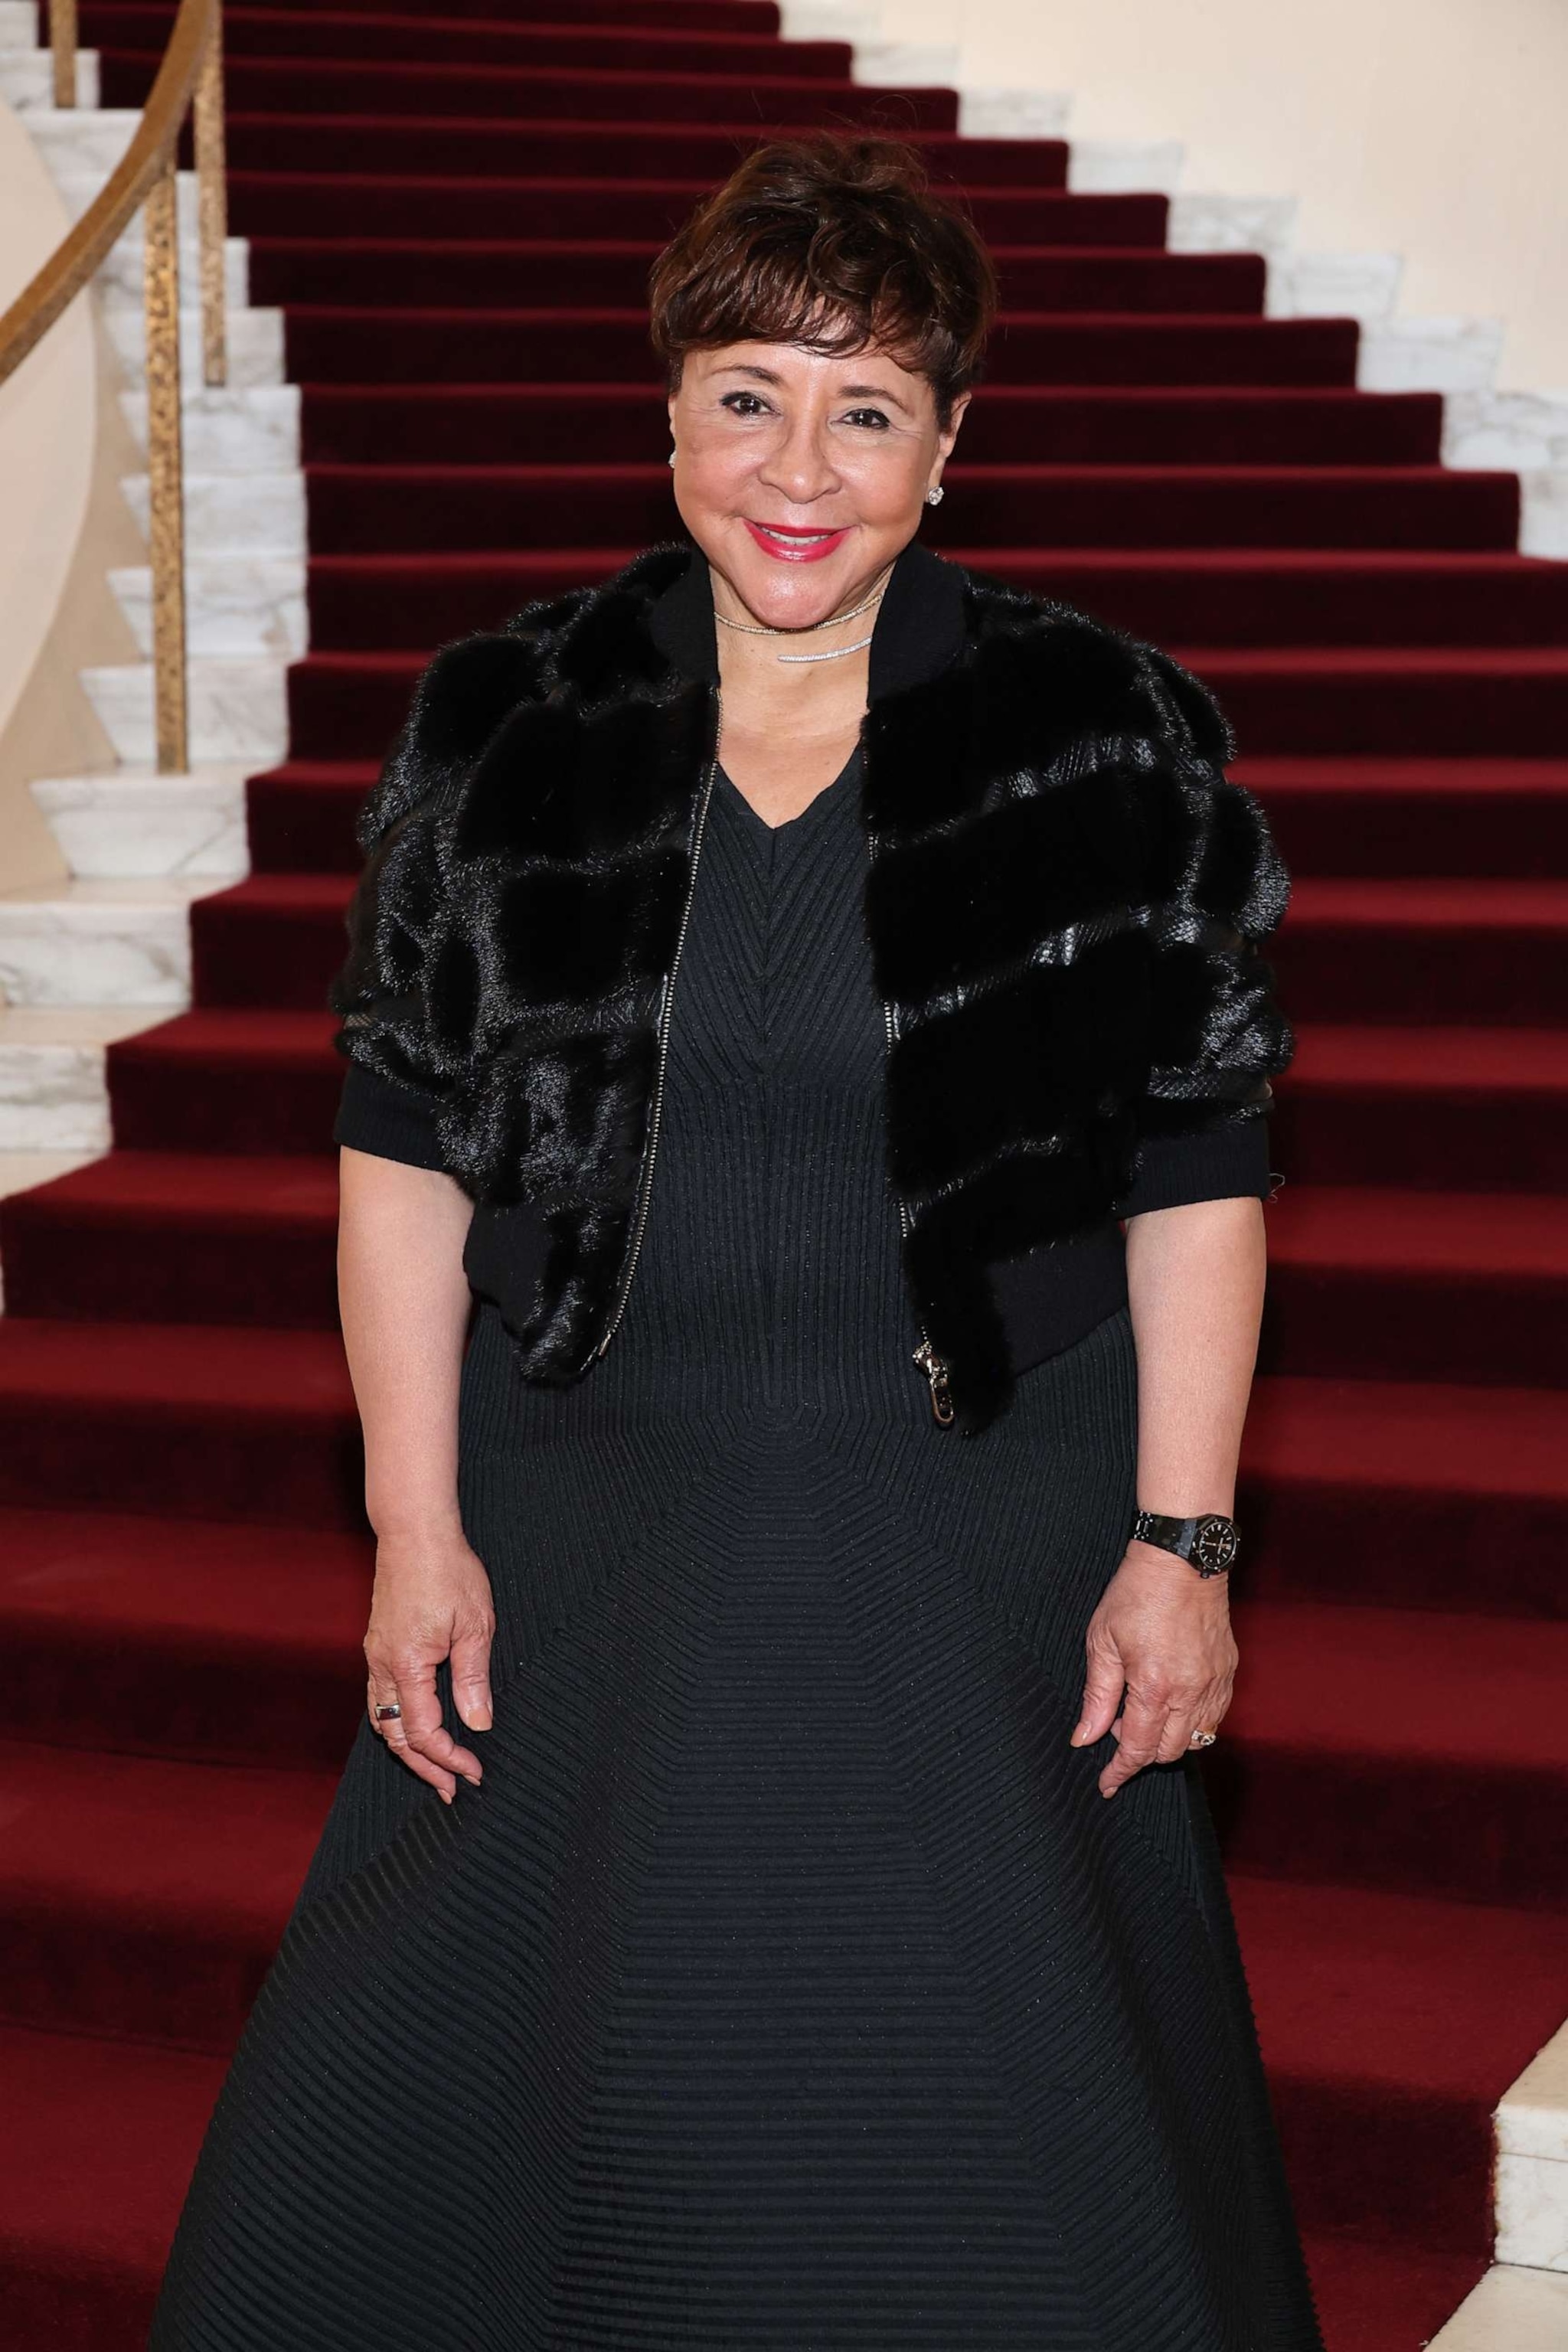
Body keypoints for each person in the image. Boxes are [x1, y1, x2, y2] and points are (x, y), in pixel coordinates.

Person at [149, 134, 1323, 2350]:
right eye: (751, 395)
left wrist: (1186, 1539)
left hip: (977, 1529)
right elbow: (405, 1139)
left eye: (868, 409)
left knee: (995, 2117)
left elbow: (1195, 1161)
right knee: (467, 2114)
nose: (803, 467)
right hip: (589, 1512)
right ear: (665, 415)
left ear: (951, 450)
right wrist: (414, 1524)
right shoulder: (510, 722)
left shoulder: (1096, 731)